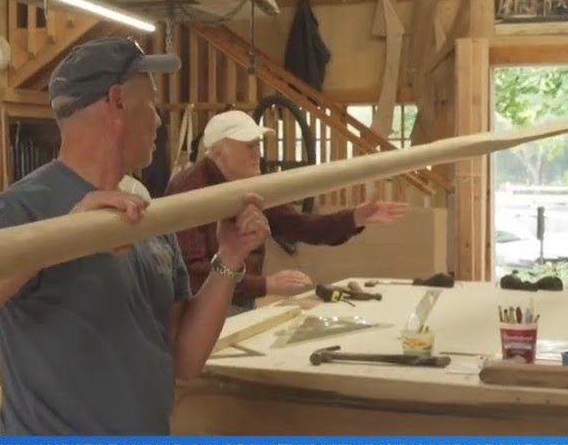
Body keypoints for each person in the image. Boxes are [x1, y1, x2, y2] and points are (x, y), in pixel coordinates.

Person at [0, 37, 272, 436]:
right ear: (118, 101)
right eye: (151, 103)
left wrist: (229, 256)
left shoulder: (148, 213)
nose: (158, 120)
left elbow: (184, 361)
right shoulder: (23, 209)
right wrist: (65, 237)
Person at [166, 109, 409, 314]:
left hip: (238, 299)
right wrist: (264, 285)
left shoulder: (250, 185)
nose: (257, 154)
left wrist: (355, 217)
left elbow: (299, 225)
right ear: (218, 152)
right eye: (248, 146)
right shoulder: (188, 190)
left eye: (257, 145)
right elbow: (192, 274)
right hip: (197, 308)